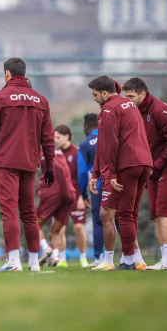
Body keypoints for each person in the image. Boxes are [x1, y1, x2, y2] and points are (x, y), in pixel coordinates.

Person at [0, 57, 55, 272]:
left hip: (5, 162)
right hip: (30, 163)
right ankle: (34, 262)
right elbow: (48, 138)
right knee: (29, 212)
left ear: (7, 74)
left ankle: (13, 261)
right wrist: (49, 167)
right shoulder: (41, 100)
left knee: (9, 211)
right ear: (24, 73)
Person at [88, 76, 152, 271]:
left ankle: (125, 260)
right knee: (131, 214)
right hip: (144, 162)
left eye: (95, 95)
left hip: (127, 164)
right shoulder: (129, 104)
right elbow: (105, 144)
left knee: (118, 214)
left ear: (104, 93)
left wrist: (110, 174)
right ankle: (137, 259)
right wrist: (96, 173)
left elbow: (109, 145)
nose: (94, 98)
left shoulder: (109, 109)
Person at [122, 77, 167, 270]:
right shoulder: (133, 111)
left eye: (131, 96)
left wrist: (156, 166)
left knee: (164, 213)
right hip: (152, 168)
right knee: (156, 215)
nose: (128, 100)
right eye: (126, 97)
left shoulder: (160, 109)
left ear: (143, 94)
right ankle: (166, 260)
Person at [54, 124, 88, 267]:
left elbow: (83, 175)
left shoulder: (77, 152)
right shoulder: (55, 153)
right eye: (54, 138)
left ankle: (83, 258)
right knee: (60, 228)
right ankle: (62, 259)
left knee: (78, 227)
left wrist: (81, 197)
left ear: (67, 136)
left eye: (58, 137)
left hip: (76, 196)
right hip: (60, 197)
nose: (56, 140)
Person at [36, 149, 76, 267]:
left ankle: (45, 248)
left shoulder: (42, 154)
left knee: (34, 224)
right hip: (70, 194)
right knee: (55, 231)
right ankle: (55, 256)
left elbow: (58, 169)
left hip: (55, 193)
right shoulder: (59, 152)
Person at [77, 114, 104, 266]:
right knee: (121, 219)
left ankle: (100, 257)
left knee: (99, 221)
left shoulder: (85, 144)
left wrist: (83, 193)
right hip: (118, 183)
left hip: (98, 186)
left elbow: (81, 173)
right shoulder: (111, 137)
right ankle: (130, 255)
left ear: (86, 126)